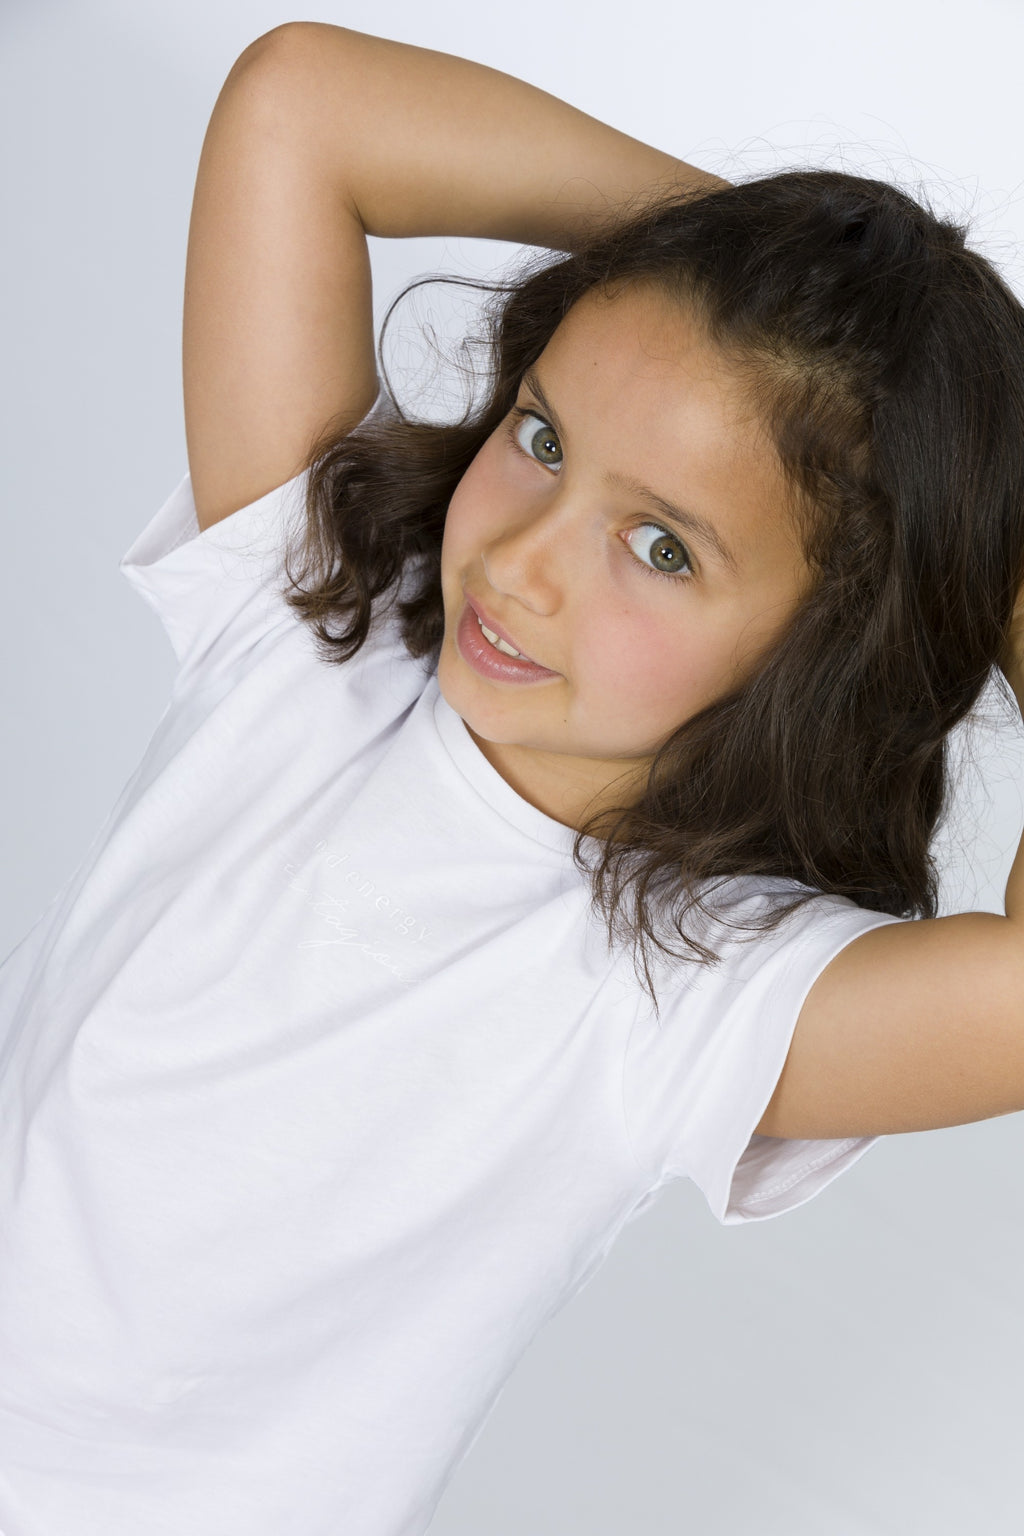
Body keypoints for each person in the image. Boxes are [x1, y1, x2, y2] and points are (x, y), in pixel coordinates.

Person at [2, 19, 1024, 1535]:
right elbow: (304, 103)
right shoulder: (310, 628)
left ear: (838, 652)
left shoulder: (686, 997)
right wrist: (729, 272)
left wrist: (981, 530)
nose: (527, 561)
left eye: (661, 545)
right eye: (544, 434)